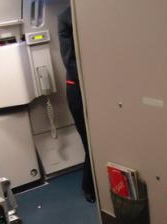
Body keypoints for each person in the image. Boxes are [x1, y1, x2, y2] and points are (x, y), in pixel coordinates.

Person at [58, 6, 96, 203]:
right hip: (78, 87)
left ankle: (93, 185)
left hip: (95, 86)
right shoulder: (67, 16)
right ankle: (89, 187)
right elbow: (70, 61)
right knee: (90, 140)